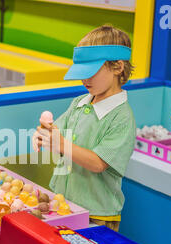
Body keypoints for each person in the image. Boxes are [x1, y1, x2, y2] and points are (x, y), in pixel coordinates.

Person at [34, 25, 136, 232]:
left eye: (91, 72)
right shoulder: (80, 103)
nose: (84, 79)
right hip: (65, 204)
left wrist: (61, 143)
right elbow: (58, 135)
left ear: (118, 67)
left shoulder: (122, 117)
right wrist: (45, 134)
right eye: (81, 73)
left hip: (97, 214)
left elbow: (98, 163)